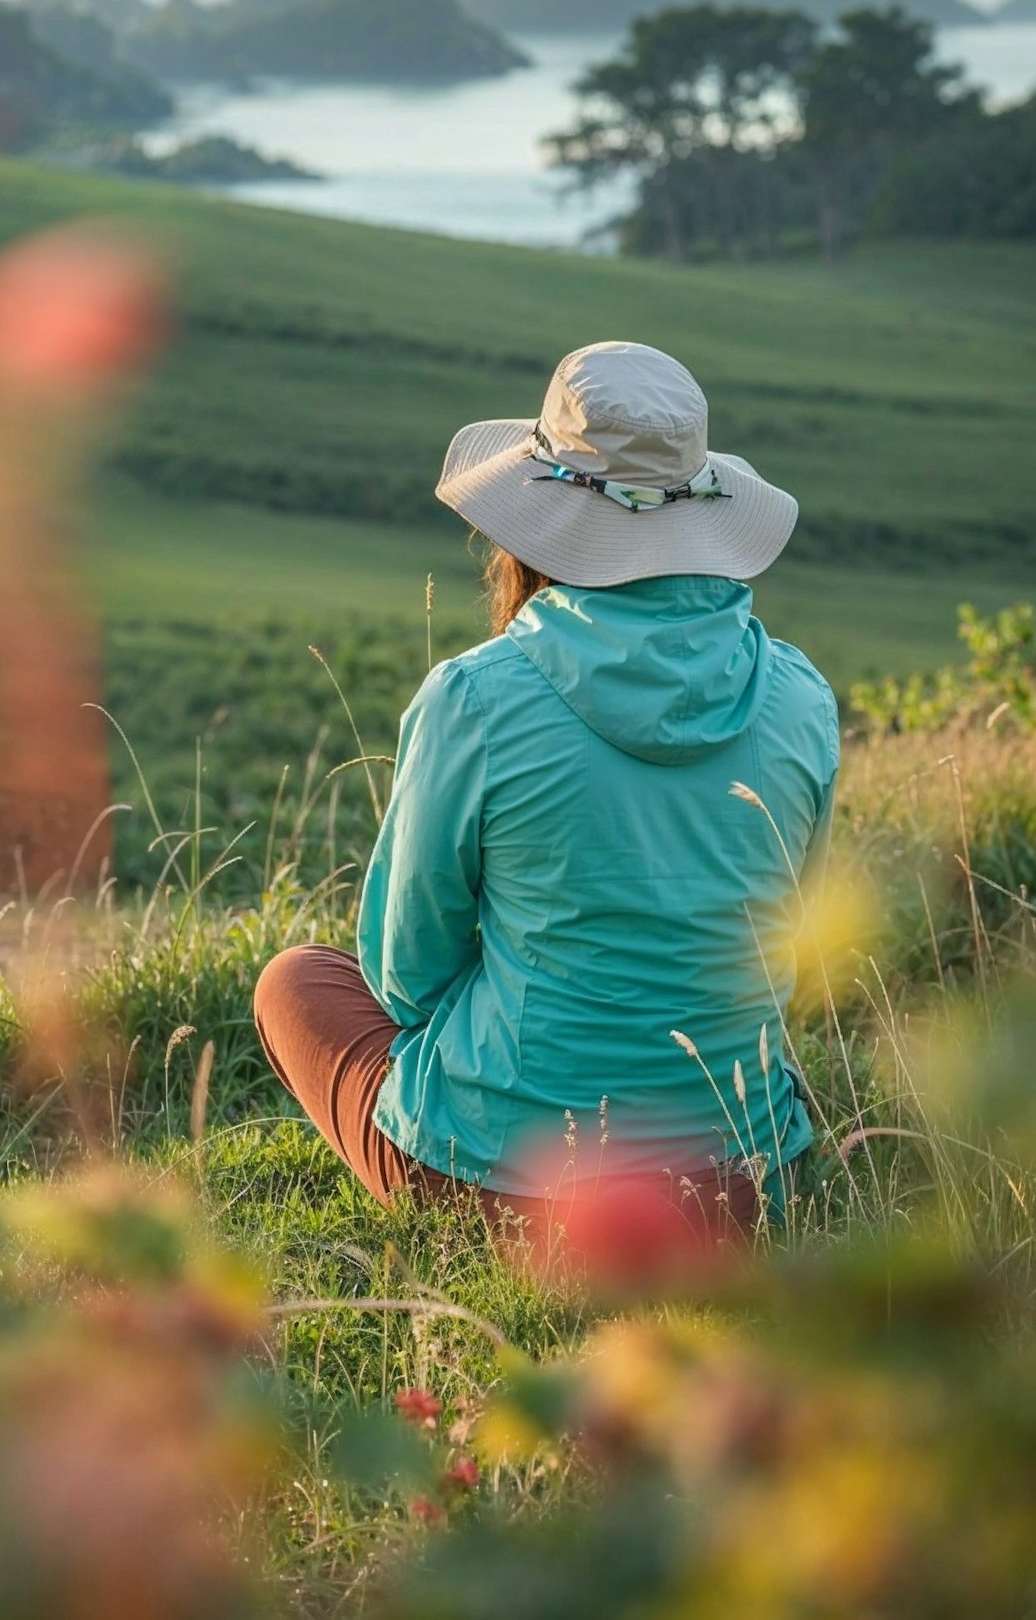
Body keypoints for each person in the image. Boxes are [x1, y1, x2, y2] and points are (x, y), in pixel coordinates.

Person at [253, 340, 839, 1254]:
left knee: (297, 980)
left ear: (537, 520)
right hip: (740, 1189)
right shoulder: (802, 697)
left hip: (519, 1193)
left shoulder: (474, 699)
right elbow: (790, 965)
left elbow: (405, 976)